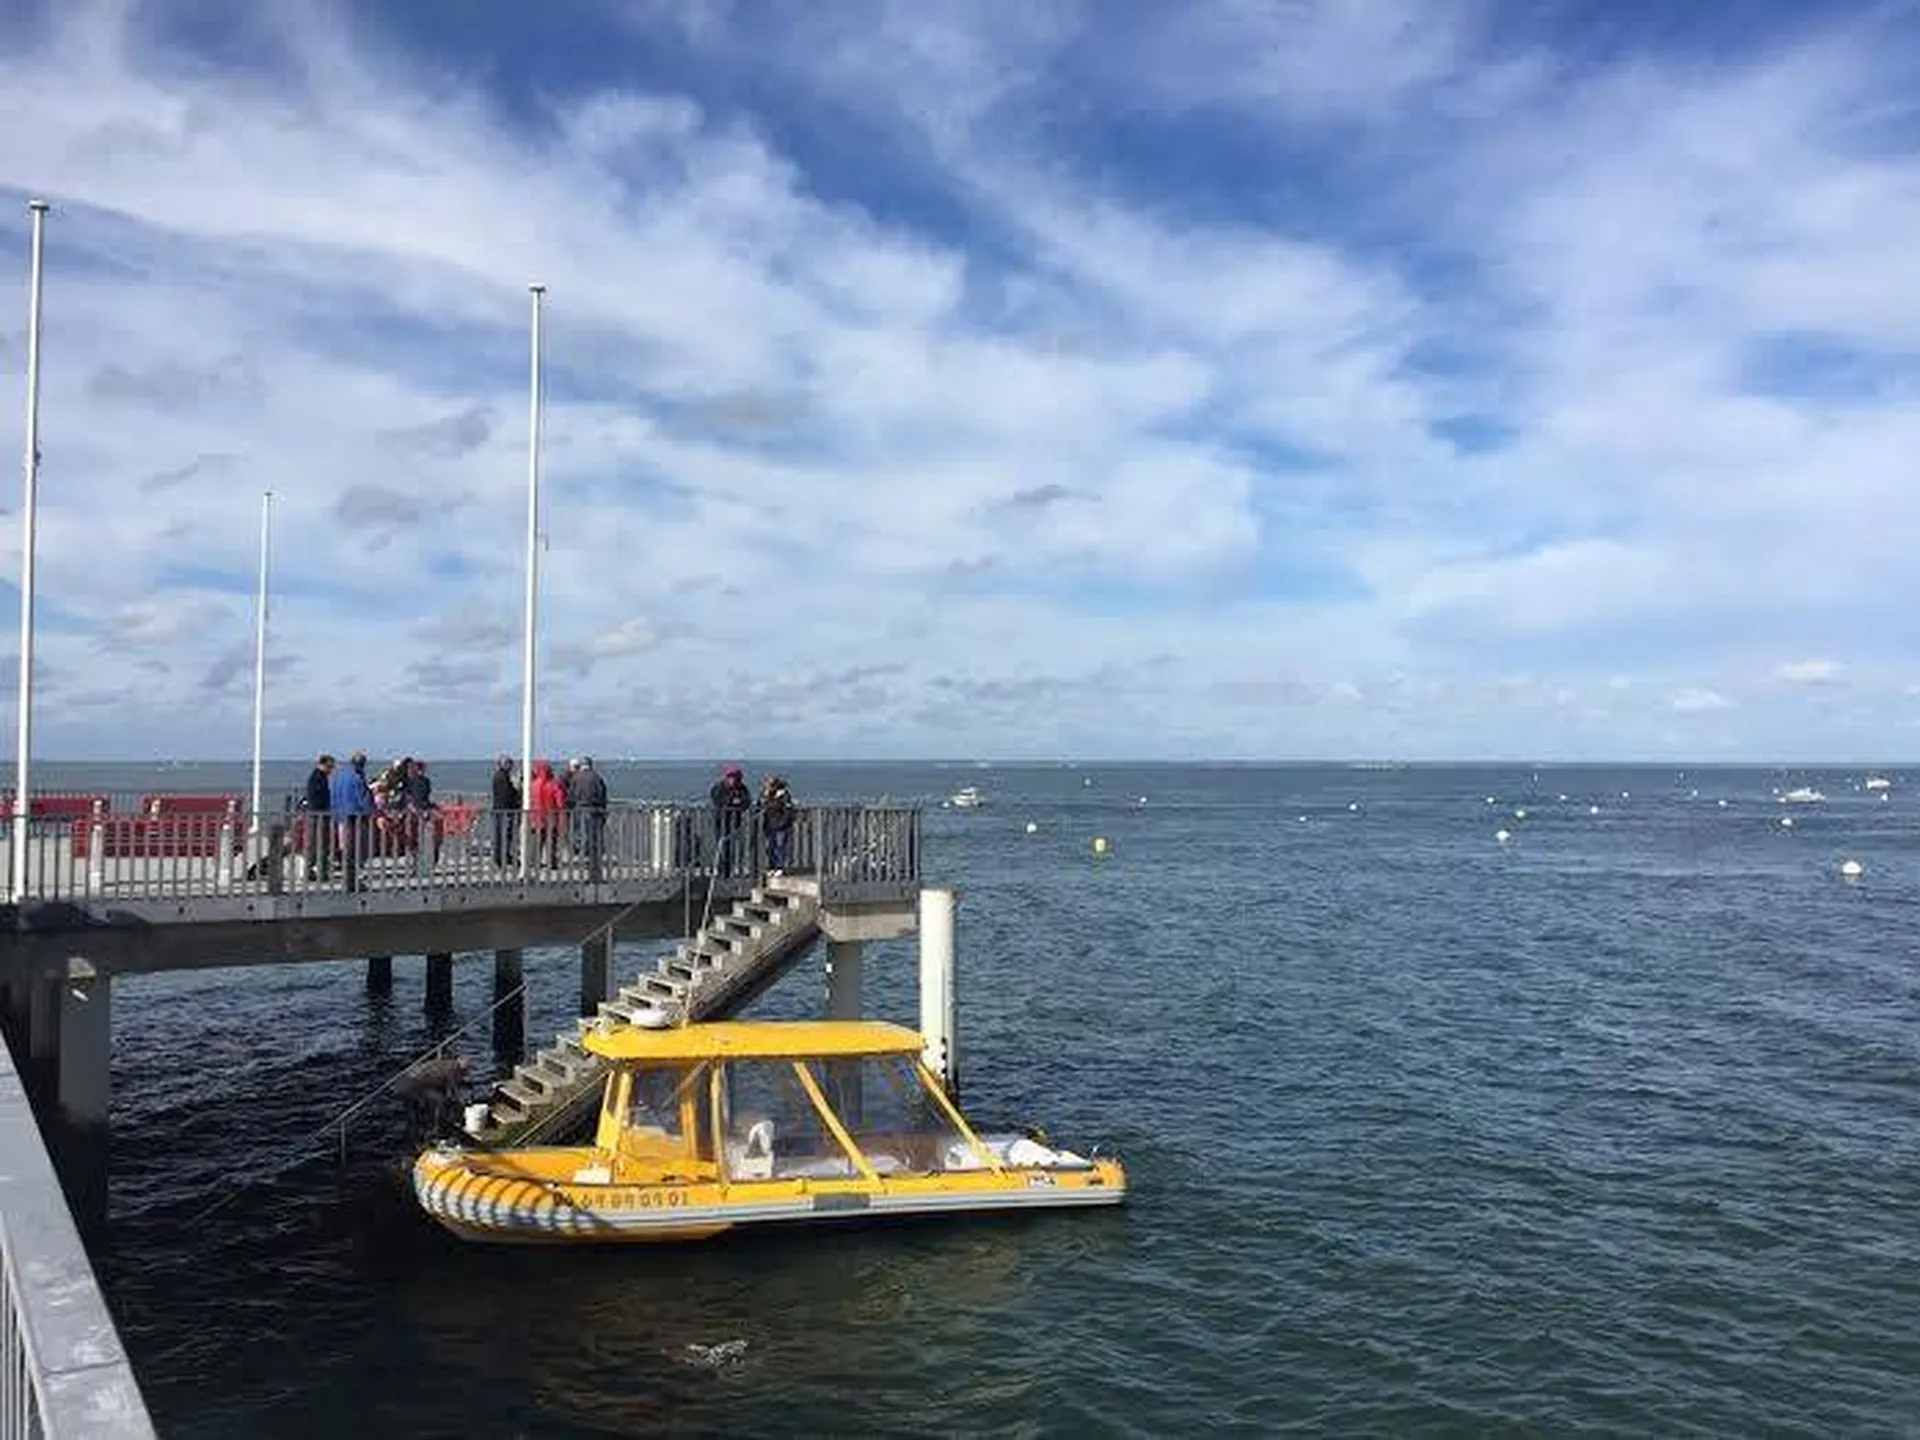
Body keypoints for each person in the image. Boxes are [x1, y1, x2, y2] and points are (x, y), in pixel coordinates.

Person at [329, 751, 374, 891]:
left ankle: (348, 880)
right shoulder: (357, 777)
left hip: (341, 816)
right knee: (357, 851)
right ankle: (352, 882)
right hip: (356, 817)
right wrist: (371, 812)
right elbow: (363, 799)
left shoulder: (338, 776)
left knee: (346, 849)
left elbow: (333, 796)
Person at [567, 756, 610, 882]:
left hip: (579, 811)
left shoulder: (576, 778)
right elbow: (603, 795)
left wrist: (571, 808)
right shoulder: (597, 778)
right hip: (595, 811)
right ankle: (595, 871)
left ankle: (584, 868)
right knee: (594, 841)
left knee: (581, 839)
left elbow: (571, 796)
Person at [710, 764, 752, 878]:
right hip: (721, 821)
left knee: (732, 846)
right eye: (731, 777)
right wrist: (732, 800)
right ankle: (722, 870)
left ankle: (728, 870)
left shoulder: (742, 788)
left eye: (736, 777)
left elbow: (746, 802)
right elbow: (718, 802)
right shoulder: (718, 787)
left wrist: (735, 802)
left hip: (735, 822)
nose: (733, 779)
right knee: (722, 845)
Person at [303, 754, 335, 881]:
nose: (331, 770)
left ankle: (313, 870)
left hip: (317, 814)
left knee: (317, 844)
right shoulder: (318, 778)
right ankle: (320, 873)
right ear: (323, 765)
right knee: (321, 844)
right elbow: (317, 798)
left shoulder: (319, 777)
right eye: (330, 766)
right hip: (318, 815)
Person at [530, 759, 566, 868]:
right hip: (551, 818)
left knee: (537, 841)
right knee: (551, 841)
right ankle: (551, 862)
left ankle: (535, 861)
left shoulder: (533, 785)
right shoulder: (553, 785)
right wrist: (562, 819)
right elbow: (560, 802)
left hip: (536, 818)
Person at [761, 774, 796, 876]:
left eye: (770, 785)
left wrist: (783, 823)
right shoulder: (767, 795)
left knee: (780, 847)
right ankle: (772, 866)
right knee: (770, 848)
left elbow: (788, 811)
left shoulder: (784, 795)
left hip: (781, 825)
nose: (768, 787)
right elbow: (762, 806)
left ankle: (781, 867)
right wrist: (765, 797)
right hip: (769, 825)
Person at [490, 755, 521, 868]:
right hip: (503, 810)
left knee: (503, 835)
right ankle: (501, 858)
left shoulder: (501, 776)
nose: (511, 766)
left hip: (500, 809)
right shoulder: (502, 777)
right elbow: (506, 794)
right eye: (509, 764)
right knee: (502, 835)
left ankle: (503, 856)